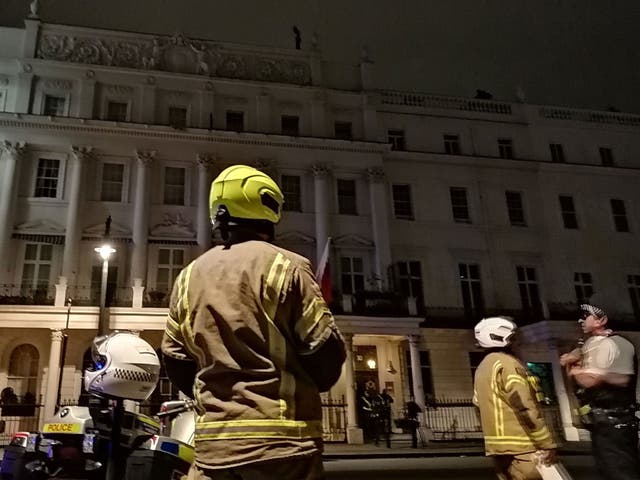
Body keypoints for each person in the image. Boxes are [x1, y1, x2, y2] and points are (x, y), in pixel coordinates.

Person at [161, 165, 346, 480]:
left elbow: (175, 360)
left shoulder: (189, 275)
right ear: (269, 208)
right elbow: (325, 353)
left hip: (213, 451)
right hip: (283, 450)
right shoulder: (286, 267)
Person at [560, 299, 639, 480]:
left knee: (620, 473)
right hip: (604, 423)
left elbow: (591, 381)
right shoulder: (595, 344)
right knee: (610, 472)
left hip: (615, 422)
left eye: (585, 316)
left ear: (601, 320)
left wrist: (575, 370)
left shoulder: (616, 343)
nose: (580, 320)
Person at [473, 316, 557, 480]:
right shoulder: (508, 364)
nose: (519, 343)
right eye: (515, 339)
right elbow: (525, 406)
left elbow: (477, 405)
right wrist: (546, 443)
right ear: (505, 340)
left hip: (497, 449)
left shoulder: (482, 367)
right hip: (523, 446)